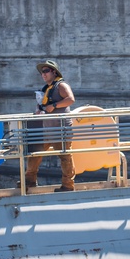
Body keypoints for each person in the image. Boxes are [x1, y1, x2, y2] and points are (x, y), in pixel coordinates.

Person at [25, 59, 76, 192]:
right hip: (46, 128)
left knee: (65, 157)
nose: (43, 74)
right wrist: (39, 110)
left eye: (46, 71)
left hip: (61, 129)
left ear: (54, 72)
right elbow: (44, 106)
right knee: (34, 154)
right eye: (42, 72)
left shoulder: (61, 85)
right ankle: (29, 182)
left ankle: (68, 185)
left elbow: (70, 99)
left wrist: (53, 106)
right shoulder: (45, 89)